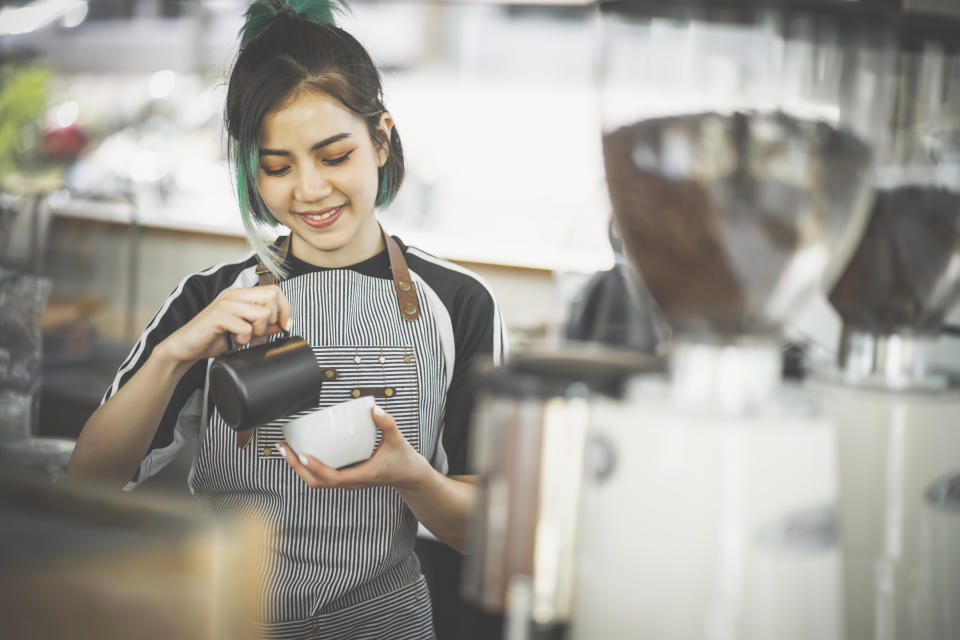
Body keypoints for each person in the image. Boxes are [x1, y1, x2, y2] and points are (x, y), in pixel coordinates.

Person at [67, 1, 507, 637]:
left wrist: (412, 475)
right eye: (277, 167)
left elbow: (486, 532)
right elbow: (90, 480)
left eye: (334, 157)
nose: (308, 191)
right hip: (224, 619)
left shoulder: (460, 304)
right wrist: (175, 357)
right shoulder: (208, 300)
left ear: (381, 139)